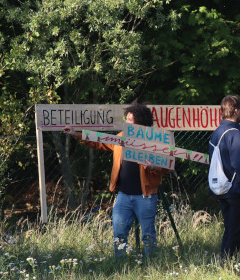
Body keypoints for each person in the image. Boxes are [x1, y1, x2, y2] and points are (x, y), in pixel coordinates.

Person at [63, 102, 168, 257]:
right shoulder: (121, 137)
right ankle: (121, 266)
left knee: (148, 235)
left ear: (140, 123)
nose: (126, 122)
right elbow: (100, 141)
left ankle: (151, 265)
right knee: (119, 234)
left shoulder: (154, 141)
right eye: (126, 119)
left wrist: (153, 166)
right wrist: (76, 134)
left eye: (130, 120)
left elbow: (168, 166)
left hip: (146, 196)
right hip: (123, 196)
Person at [209, 95, 240, 259]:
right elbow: (239, 165)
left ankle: (225, 260)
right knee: (236, 230)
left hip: (222, 187)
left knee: (229, 228)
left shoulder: (217, 132)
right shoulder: (234, 133)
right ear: (236, 110)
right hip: (236, 190)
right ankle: (228, 261)